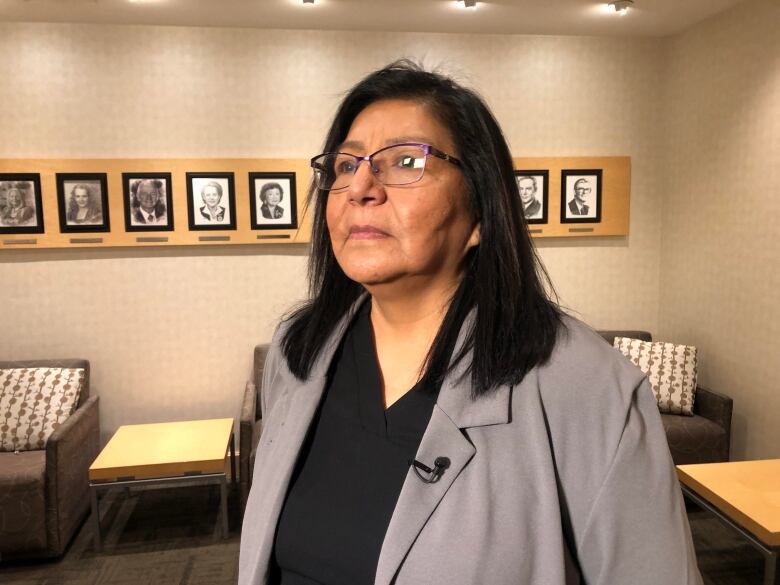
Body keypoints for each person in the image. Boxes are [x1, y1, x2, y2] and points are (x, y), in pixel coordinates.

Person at [239, 61, 702, 585]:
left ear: (481, 210)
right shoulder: (297, 351)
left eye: (406, 160)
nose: (361, 187)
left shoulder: (586, 386)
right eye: (345, 166)